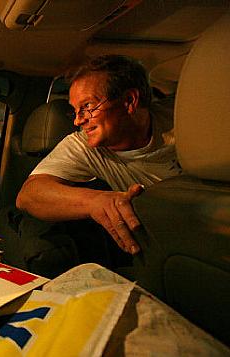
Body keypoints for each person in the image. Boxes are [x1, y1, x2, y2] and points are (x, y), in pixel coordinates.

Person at [12, 54, 182, 276]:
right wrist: (95, 201)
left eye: (88, 106)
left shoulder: (184, 115)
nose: (78, 120)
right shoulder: (85, 146)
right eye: (75, 110)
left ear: (129, 101)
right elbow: (29, 195)